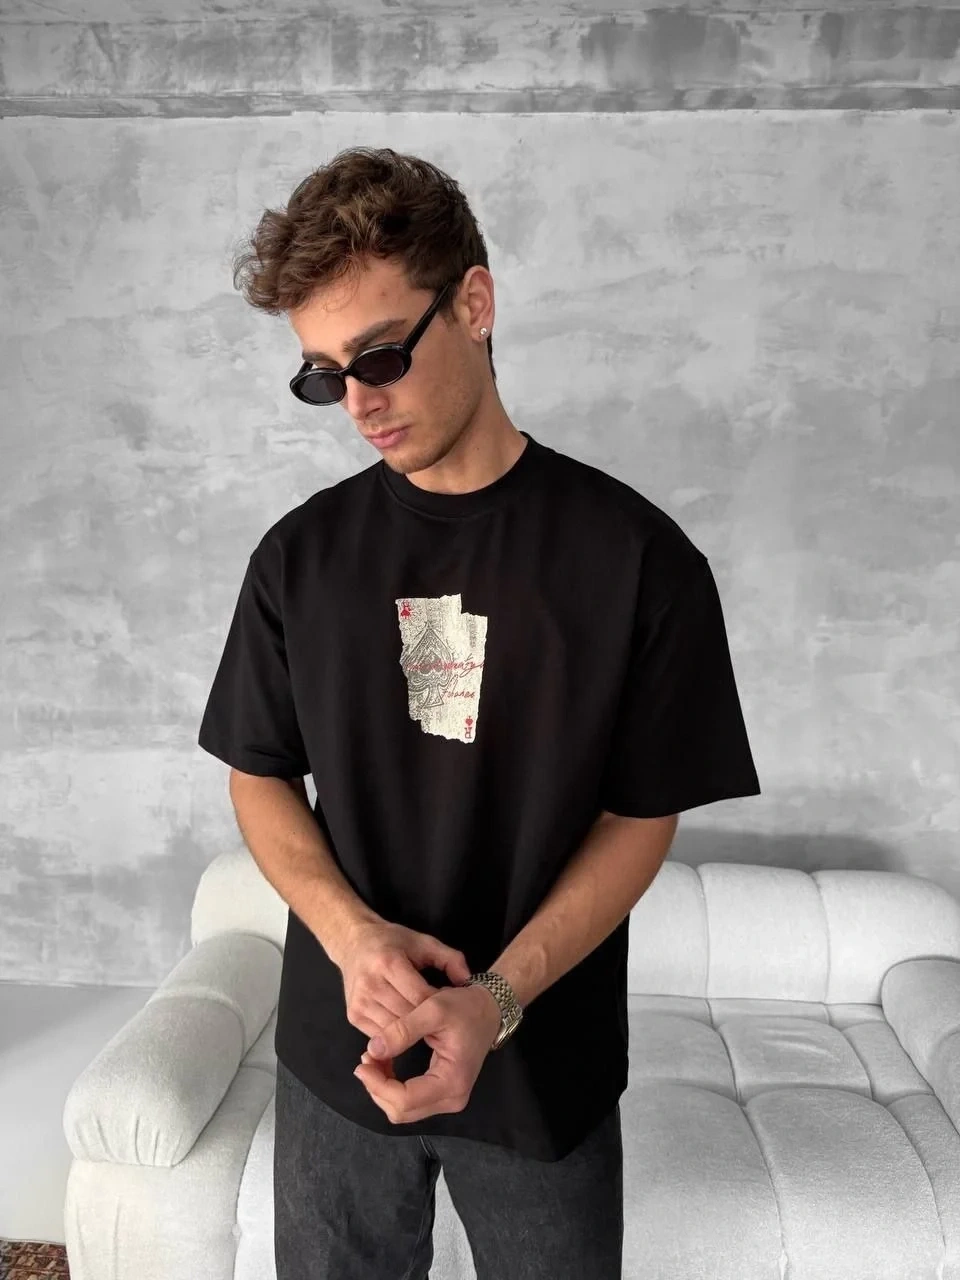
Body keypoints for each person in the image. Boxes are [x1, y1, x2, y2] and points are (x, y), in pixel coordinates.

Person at [197, 146, 762, 1280]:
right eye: (323, 377)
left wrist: (496, 999)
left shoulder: (639, 562)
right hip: (340, 1059)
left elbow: (642, 815)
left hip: (541, 1062)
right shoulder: (298, 560)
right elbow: (258, 772)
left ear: (475, 303)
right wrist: (352, 940)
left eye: (381, 356)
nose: (359, 404)